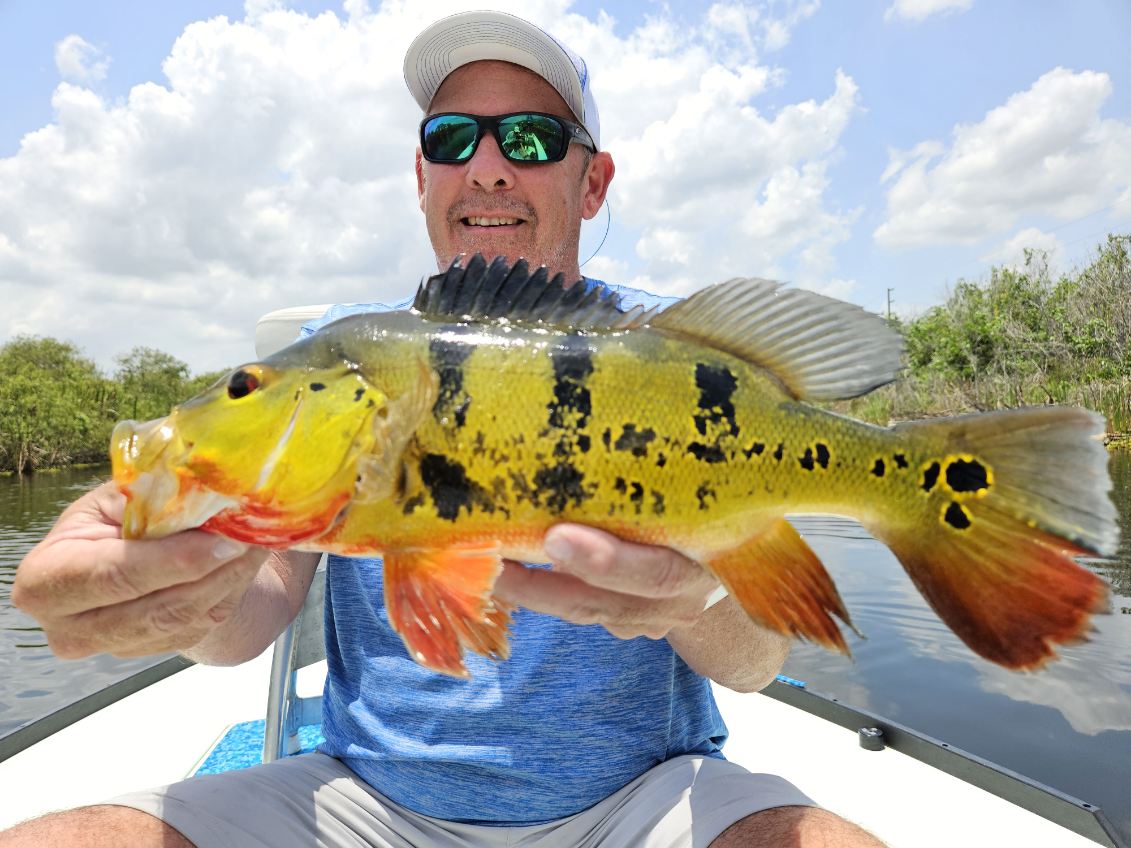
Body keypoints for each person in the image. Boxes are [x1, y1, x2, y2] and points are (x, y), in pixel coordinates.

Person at [4, 11, 884, 848]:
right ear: (421, 176)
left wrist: (701, 597)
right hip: (363, 800)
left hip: (646, 794)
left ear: (593, 183)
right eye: (451, 138)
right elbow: (242, 628)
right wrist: (181, 585)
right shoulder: (346, 347)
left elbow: (753, 666)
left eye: (531, 139)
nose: (488, 167)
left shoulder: (673, 355)